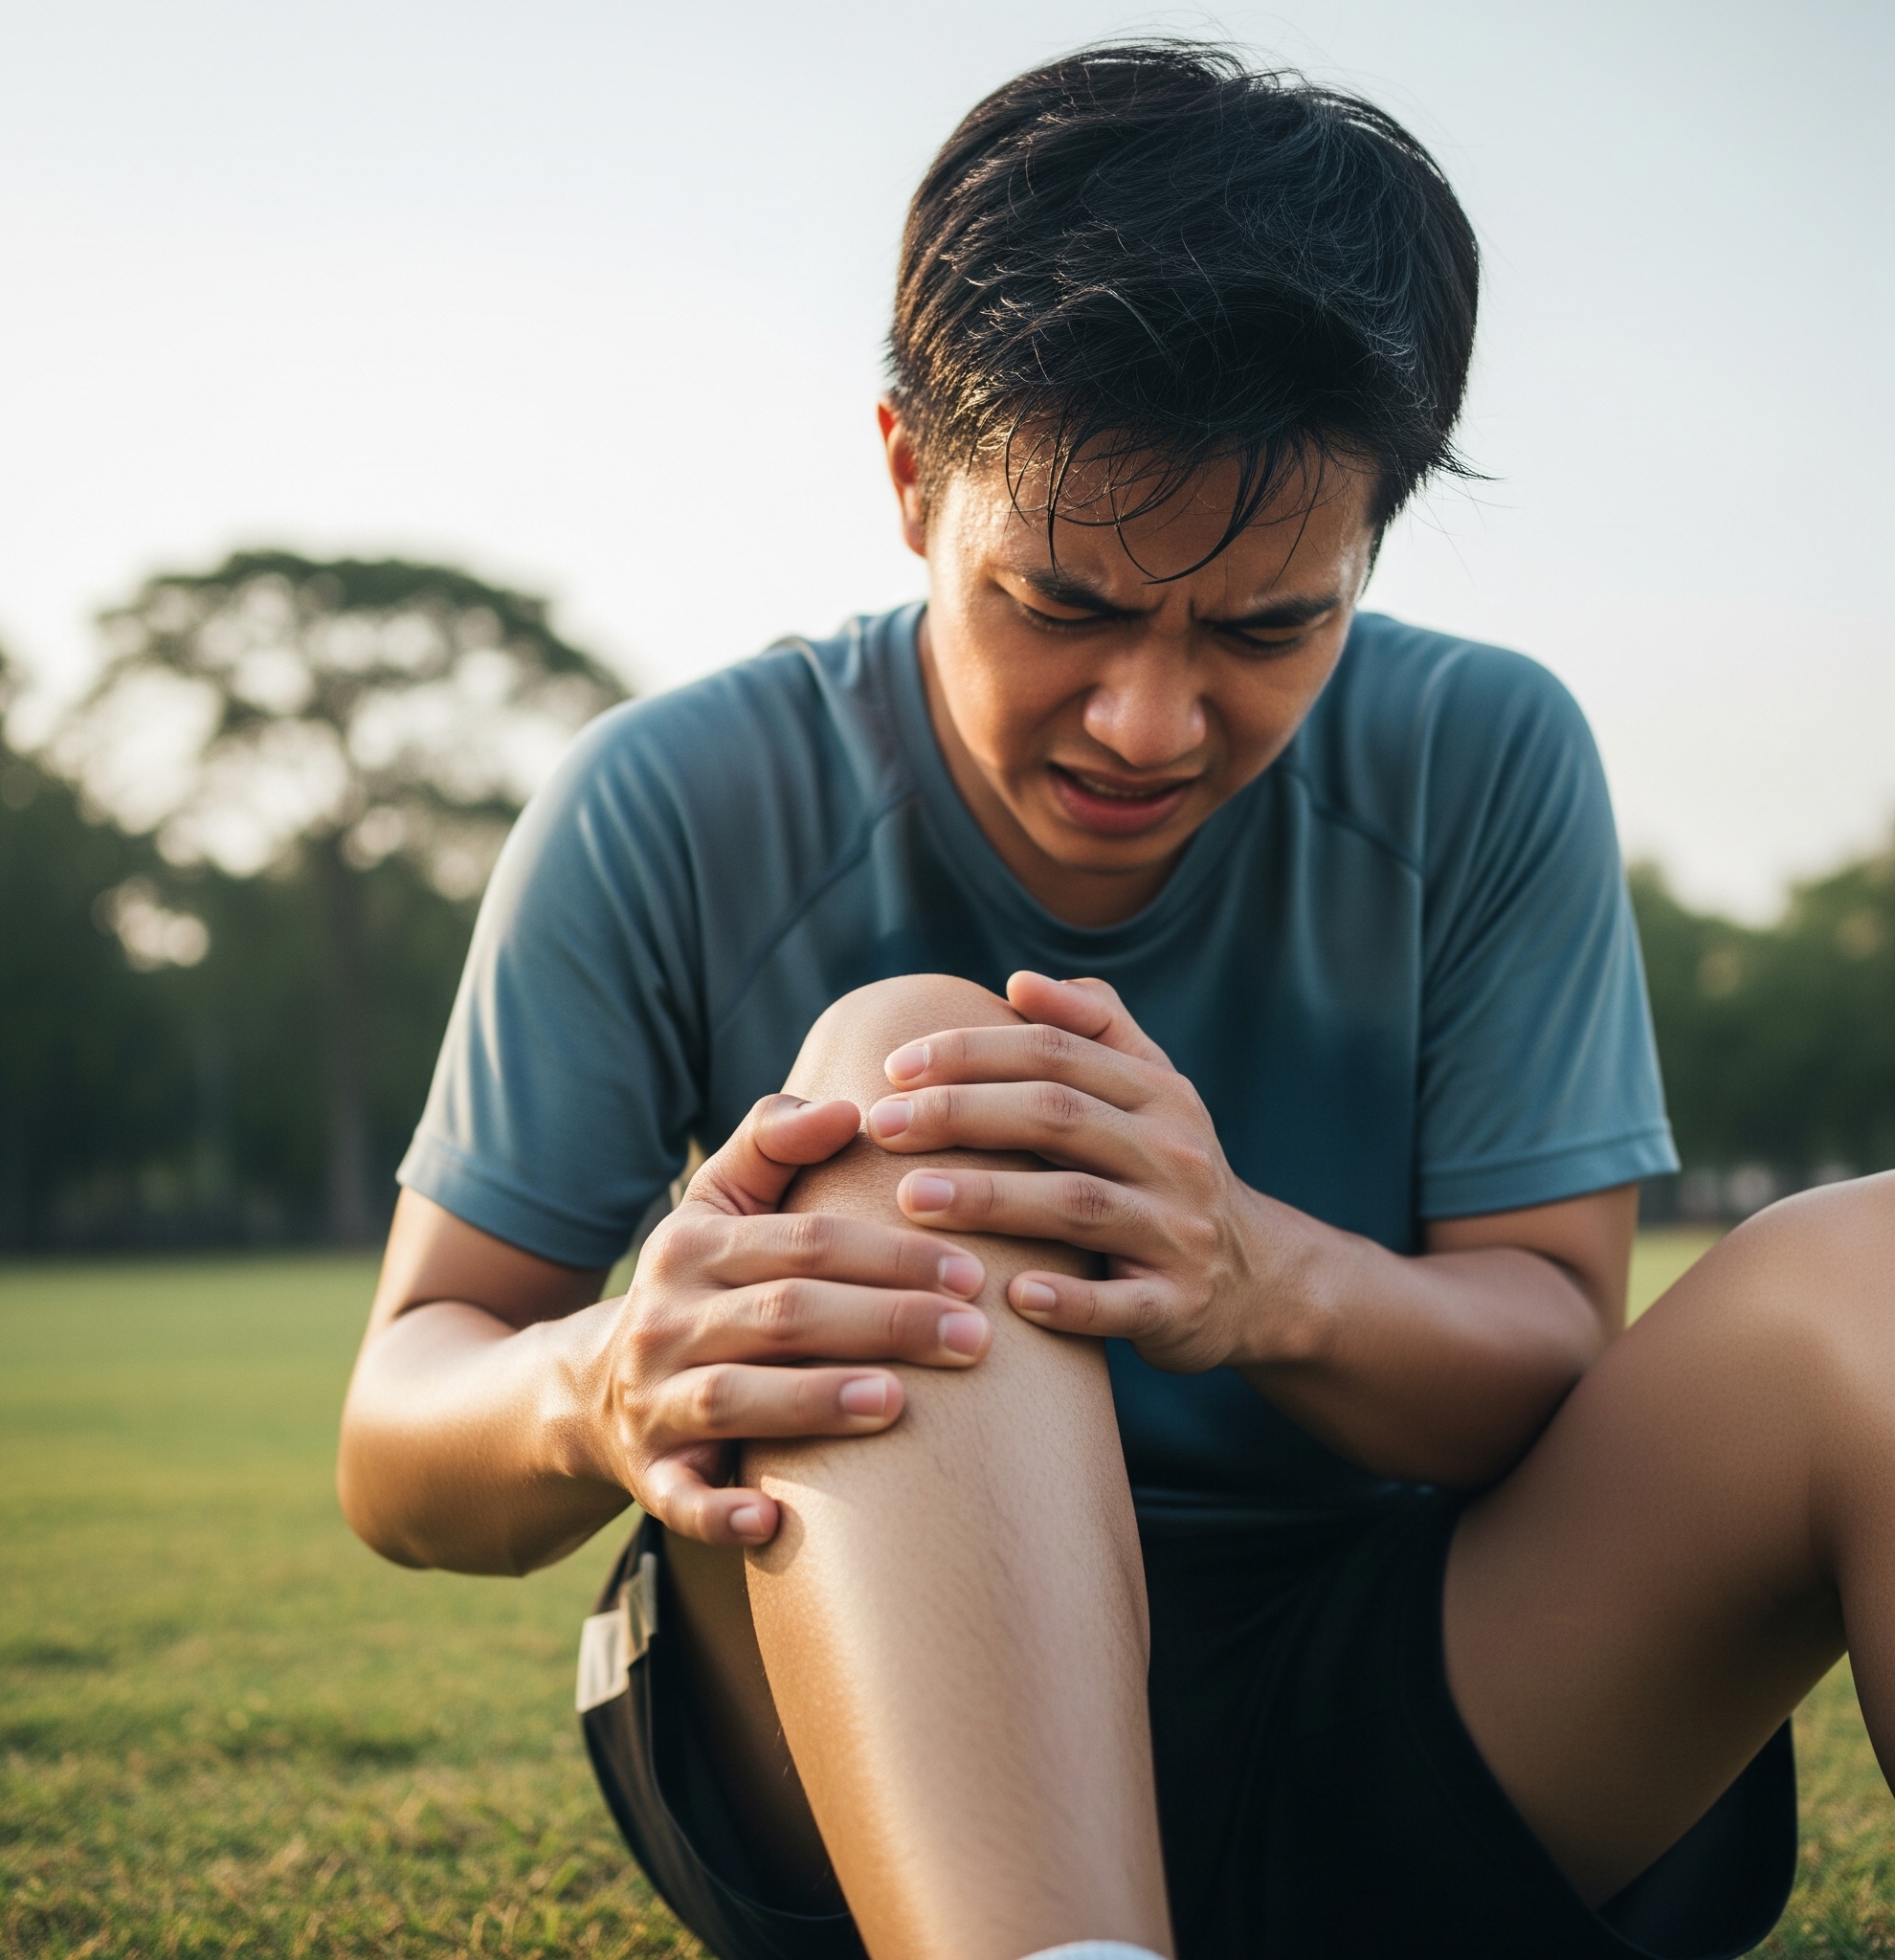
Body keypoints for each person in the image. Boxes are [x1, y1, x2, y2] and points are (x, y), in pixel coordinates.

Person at [336, 40, 1895, 1960]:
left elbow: (1554, 1364)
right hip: (859, 1744)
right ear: (912, 475)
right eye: (1063, 603)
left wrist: (1263, 1276)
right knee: (913, 1076)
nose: (1152, 723)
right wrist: (593, 1377)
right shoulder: (672, 795)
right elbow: (397, 1437)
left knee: (1878, 1272)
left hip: (1405, 1711)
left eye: (1266, 625)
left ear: (1370, 543)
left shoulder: (1483, 755)